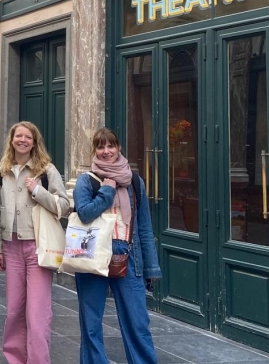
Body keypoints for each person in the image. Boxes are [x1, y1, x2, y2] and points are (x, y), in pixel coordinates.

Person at [74, 128, 161, 364]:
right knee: (91, 323)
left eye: (110, 146)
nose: (106, 151)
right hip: (92, 255)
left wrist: (151, 268)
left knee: (138, 322)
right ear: (94, 150)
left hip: (128, 255)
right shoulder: (86, 180)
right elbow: (84, 213)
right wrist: (106, 190)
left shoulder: (134, 181)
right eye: (100, 147)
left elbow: (144, 226)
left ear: (119, 148)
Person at [0, 121, 70, 364]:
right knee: (14, 310)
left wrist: (37, 190)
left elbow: (64, 206)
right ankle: (15, 359)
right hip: (11, 248)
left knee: (37, 313)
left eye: (28, 137)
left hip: (38, 248)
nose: (22, 140)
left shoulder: (46, 171)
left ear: (35, 143)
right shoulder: (1, 173)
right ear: (12, 140)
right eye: (18, 136)